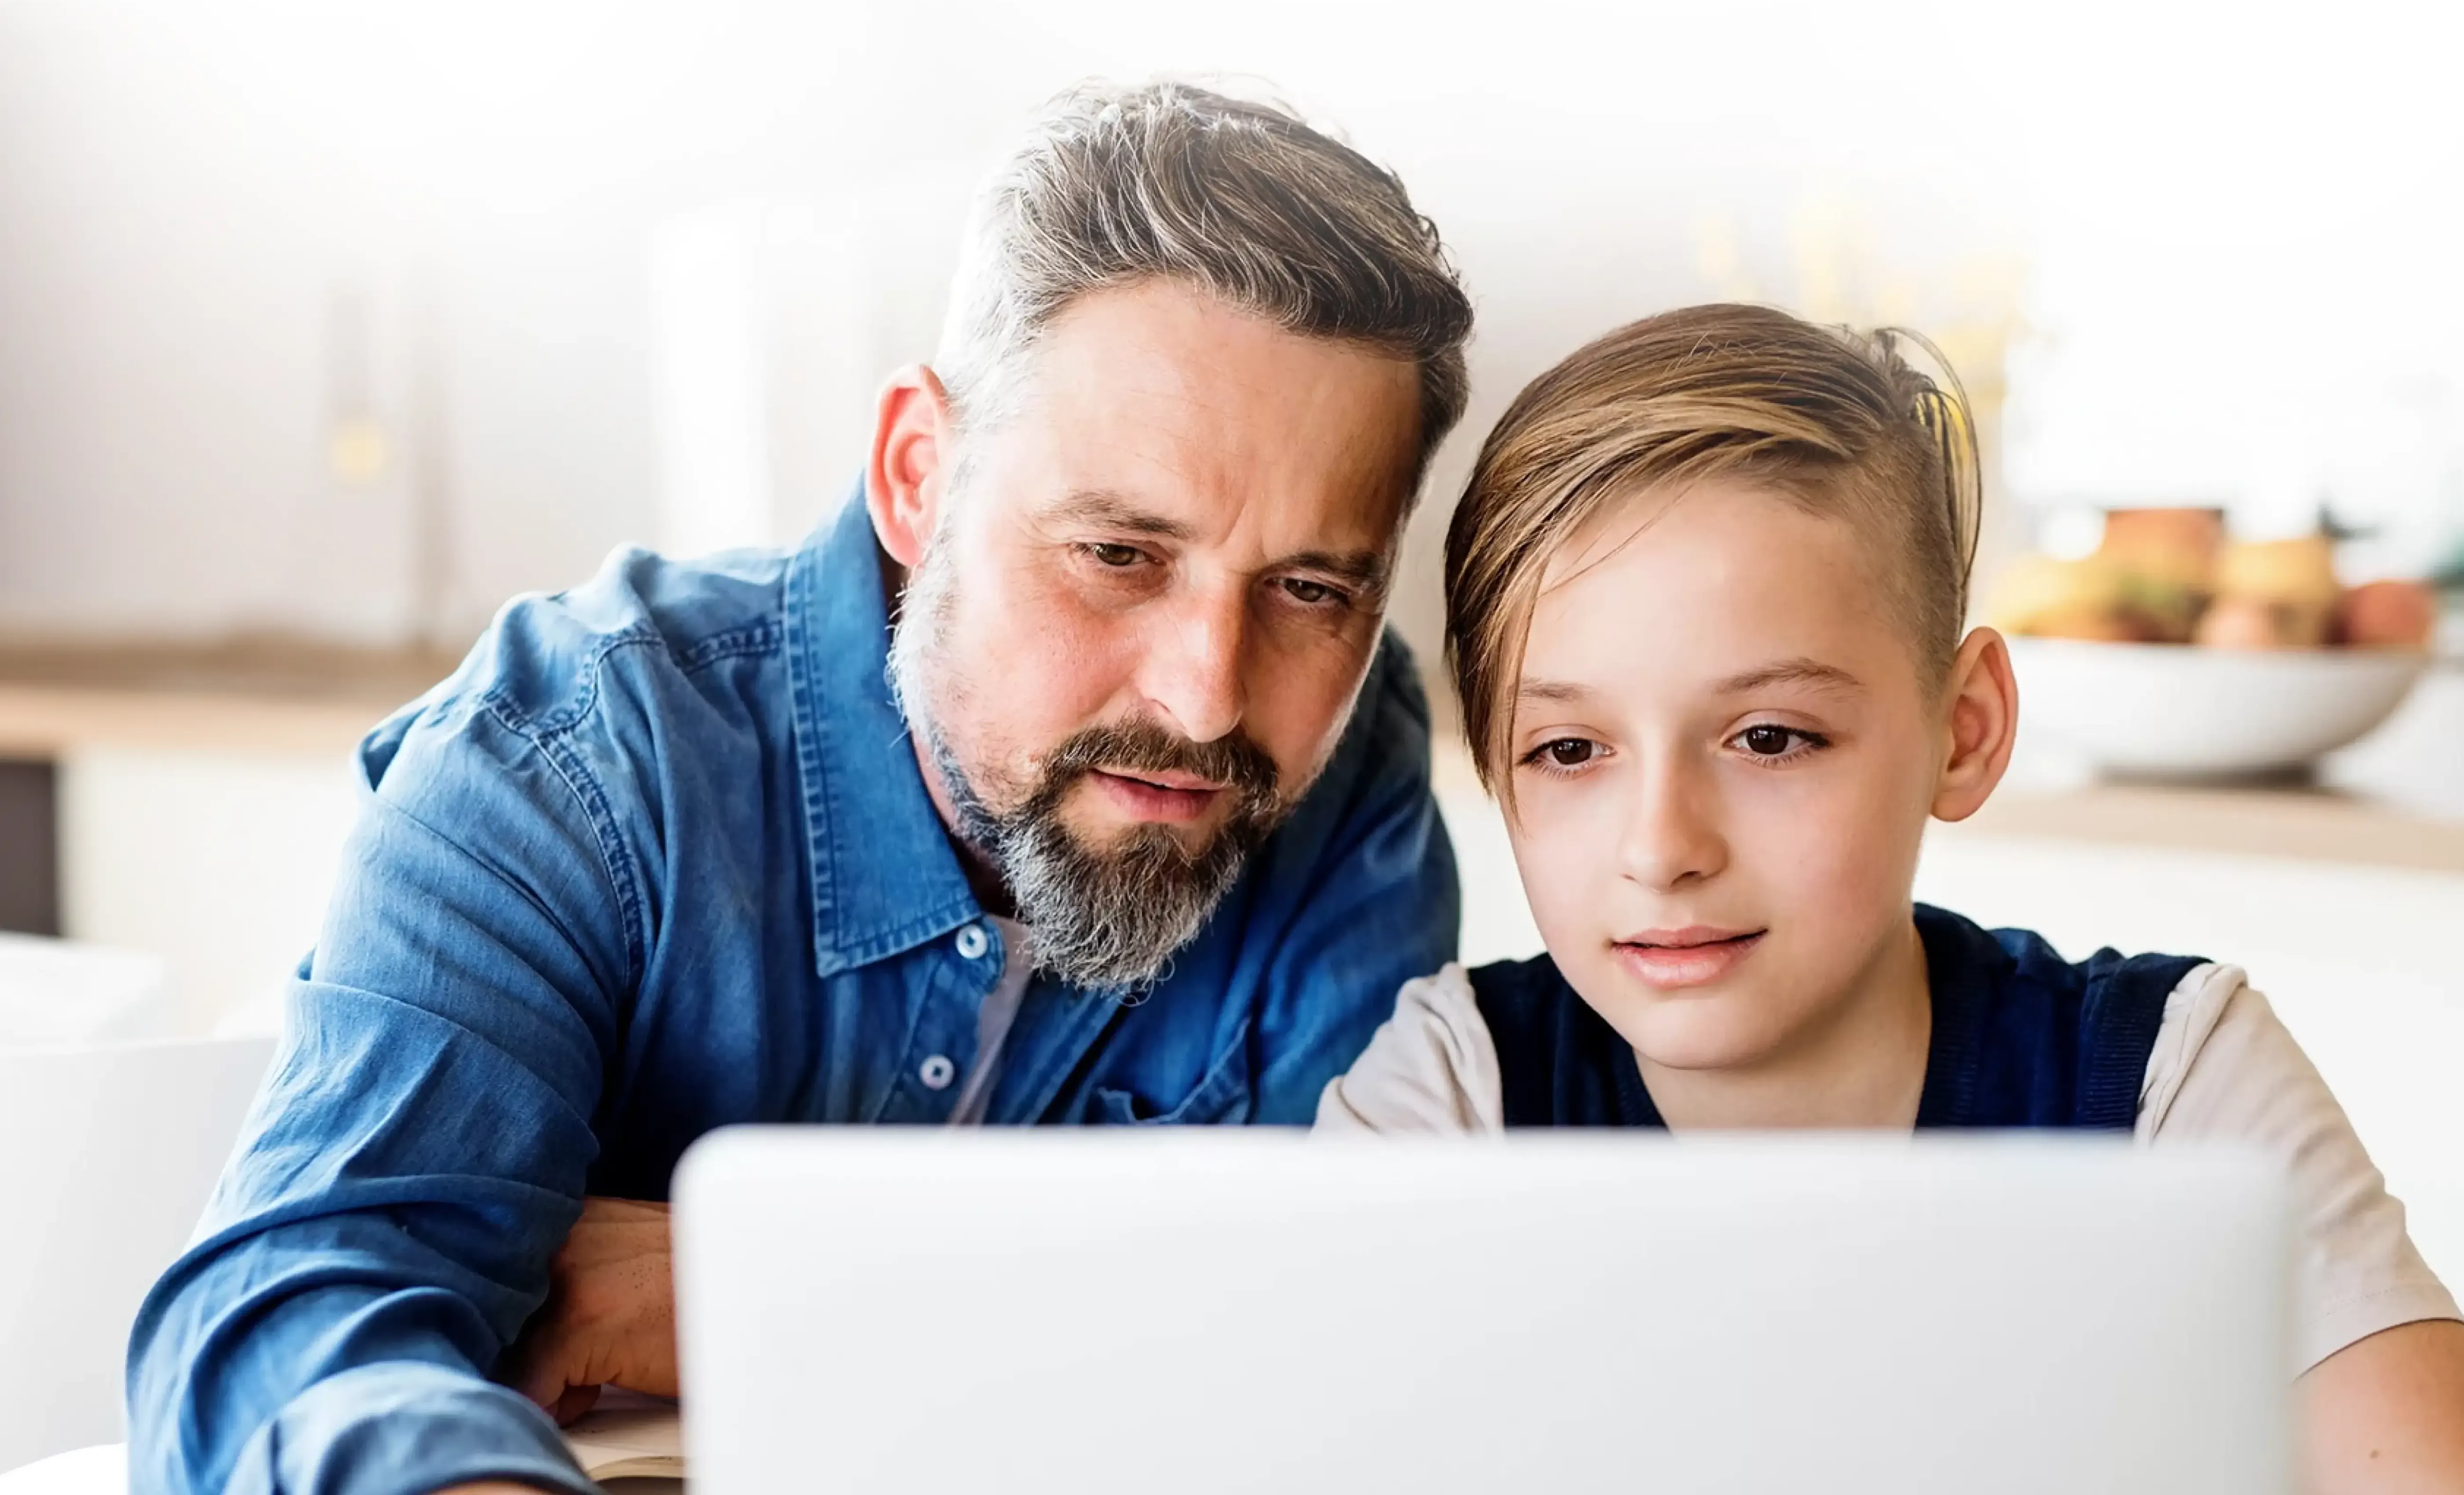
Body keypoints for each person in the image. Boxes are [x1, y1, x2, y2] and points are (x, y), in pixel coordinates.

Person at [128, 81, 1476, 1495]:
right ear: (918, 474)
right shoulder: (576, 758)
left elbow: (1335, 1331)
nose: (1208, 696)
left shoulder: (1343, 771)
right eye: (1119, 555)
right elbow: (293, 1328)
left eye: (1313, 587)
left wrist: (760, 1279)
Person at [1317, 303, 2464, 1493]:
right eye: (1571, 752)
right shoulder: (1445, 1106)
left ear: (1962, 730)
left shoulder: (2173, 1085)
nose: (1663, 847)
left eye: (1768, 736)